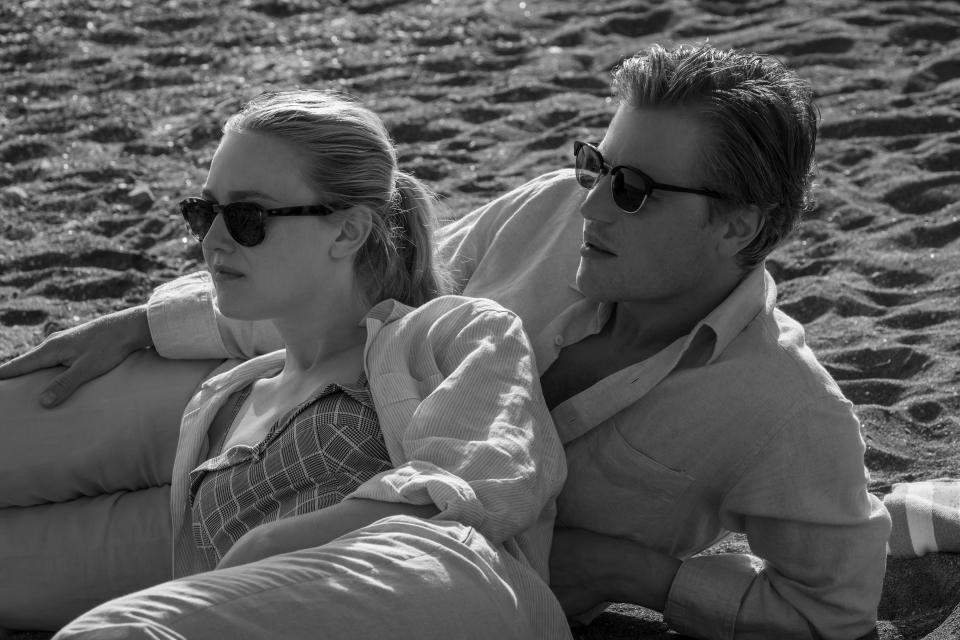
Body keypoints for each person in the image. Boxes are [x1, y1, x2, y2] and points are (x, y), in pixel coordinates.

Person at [0, 43, 891, 639]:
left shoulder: (784, 408)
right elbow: (374, 288)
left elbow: (833, 608)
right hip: (250, 399)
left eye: (633, 189)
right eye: (595, 163)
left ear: (742, 225)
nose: (587, 203)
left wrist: (635, 574)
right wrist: (144, 324)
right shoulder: (548, 210)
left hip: (337, 558)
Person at [0, 90, 570, 638]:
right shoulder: (236, 388)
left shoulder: (457, 330)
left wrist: (268, 548)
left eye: (248, 218)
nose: (213, 241)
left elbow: (485, 481)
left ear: (348, 229)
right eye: (203, 213)